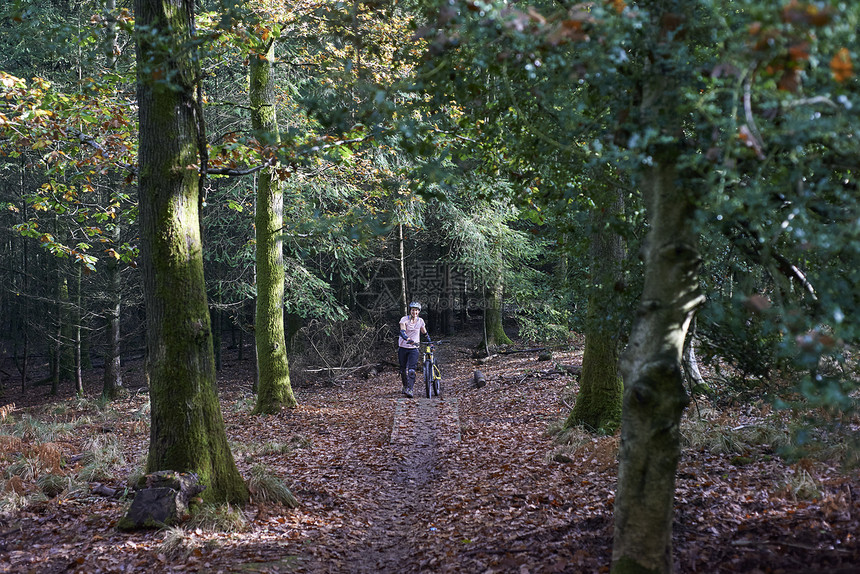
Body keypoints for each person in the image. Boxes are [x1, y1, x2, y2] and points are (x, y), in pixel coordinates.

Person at [398, 302, 431, 398]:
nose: (414, 312)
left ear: (419, 312)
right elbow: (402, 331)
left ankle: (410, 389)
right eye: (413, 310)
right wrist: (407, 339)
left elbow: (424, 333)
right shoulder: (404, 319)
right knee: (403, 369)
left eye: (416, 310)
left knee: (412, 369)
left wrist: (429, 341)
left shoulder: (420, 321)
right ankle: (405, 386)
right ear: (410, 311)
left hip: (414, 348)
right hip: (403, 347)